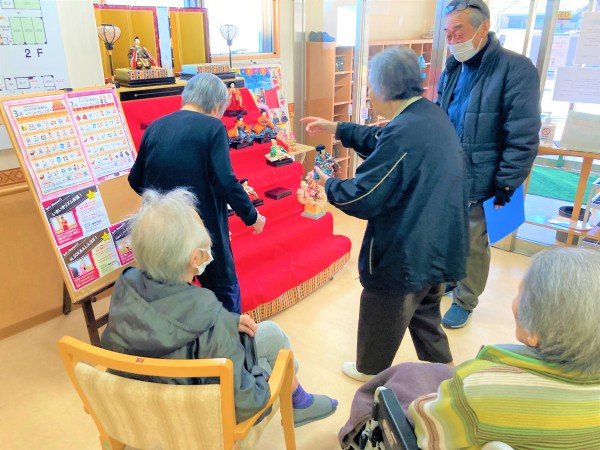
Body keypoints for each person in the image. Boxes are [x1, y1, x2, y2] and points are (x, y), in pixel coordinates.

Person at [300, 46, 468, 382]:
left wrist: (328, 184)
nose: (369, 92)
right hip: (439, 242)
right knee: (424, 312)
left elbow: (365, 196)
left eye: (370, 86)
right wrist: (336, 127)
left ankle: (370, 372)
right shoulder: (427, 115)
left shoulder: (405, 131)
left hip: (408, 250)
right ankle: (447, 375)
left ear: (383, 88)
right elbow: (380, 138)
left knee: (383, 307)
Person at [101, 189, 338, 427]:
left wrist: (227, 322)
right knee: (276, 353)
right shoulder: (209, 316)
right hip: (199, 420)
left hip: (145, 411)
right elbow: (246, 403)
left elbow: (168, 321)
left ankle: (298, 396)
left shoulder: (125, 287)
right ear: (195, 259)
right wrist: (264, 375)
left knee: (271, 335)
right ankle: (296, 397)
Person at [339, 247, 600, 449]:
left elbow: (427, 433)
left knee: (404, 377)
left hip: (446, 425)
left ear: (534, 334)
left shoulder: (480, 390)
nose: (515, 300)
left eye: (520, 294)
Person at [438, 0, 541, 329]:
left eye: (459, 33)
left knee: (473, 241)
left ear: (484, 27)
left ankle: (465, 299)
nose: (452, 41)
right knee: (447, 234)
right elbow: (440, 117)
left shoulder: (516, 68)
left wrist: (507, 183)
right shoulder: (453, 68)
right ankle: (449, 280)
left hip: (484, 176)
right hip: (448, 173)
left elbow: (523, 133)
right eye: (447, 34)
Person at [128, 73, 266, 314]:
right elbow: (226, 181)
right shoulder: (213, 127)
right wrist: (251, 215)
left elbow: (135, 180)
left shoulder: (155, 127)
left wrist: (166, 202)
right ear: (216, 106)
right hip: (203, 230)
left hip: (161, 232)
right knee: (224, 293)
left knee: (171, 296)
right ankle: (226, 335)